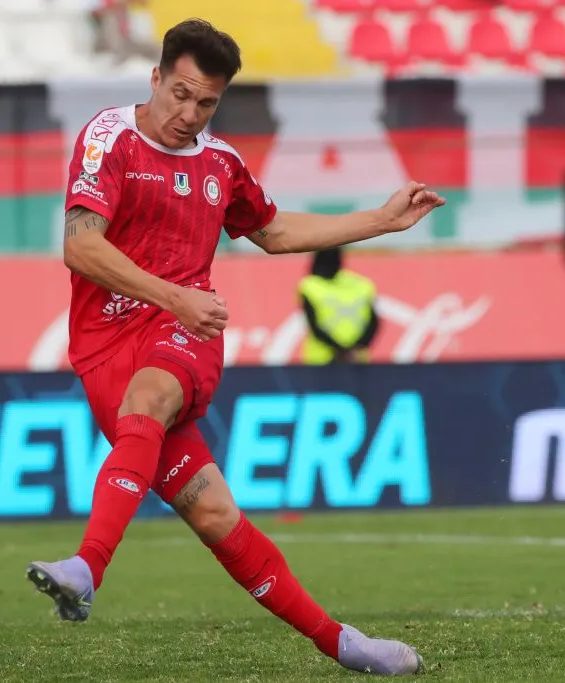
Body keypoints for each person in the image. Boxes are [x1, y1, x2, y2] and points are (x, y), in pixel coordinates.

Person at [26, 18, 444, 676]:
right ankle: (342, 641)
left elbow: (274, 232)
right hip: (105, 347)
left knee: (154, 390)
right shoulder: (107, 139)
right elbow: (81, 244)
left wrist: (379, 219)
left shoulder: (220, 164)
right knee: (215, 513)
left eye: (207, 103)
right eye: (181, 94)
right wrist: (171, 295)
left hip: (186, 331)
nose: (189, 115)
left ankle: (86, 566)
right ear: (155, 77)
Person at [299, 247, 380, 365]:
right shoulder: (361, 284)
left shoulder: (309, 285)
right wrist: (357, 347)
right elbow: (374, 323)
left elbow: (314, 325)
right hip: (356, 358)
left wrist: (342, 351)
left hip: (321, 360)